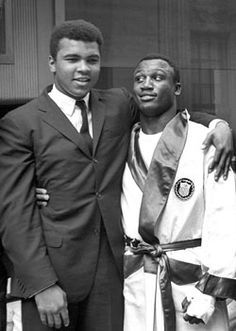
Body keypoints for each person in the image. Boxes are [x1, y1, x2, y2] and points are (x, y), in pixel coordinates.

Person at [0, 19, 233, 331]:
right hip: (53, 272)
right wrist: (41, 284)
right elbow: (15, 211)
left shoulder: (118, 104)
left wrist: (219, 125)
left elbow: (169, 113)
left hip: (114, 273)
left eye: (92, 60)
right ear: (52, 63)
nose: (83, 69)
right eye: (72, 59)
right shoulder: (20, 122)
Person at [121, 54, 236, 331]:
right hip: (136, 280)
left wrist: (211, 289)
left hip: (191, 282)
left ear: (177, 88)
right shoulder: (120, 143)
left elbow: (225, 217)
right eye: (139, 79)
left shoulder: (205, 141)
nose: (146, 84)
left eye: (157, 77)